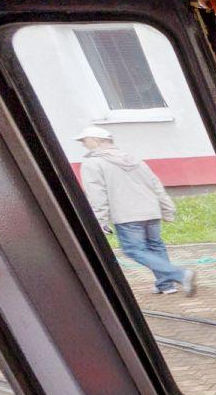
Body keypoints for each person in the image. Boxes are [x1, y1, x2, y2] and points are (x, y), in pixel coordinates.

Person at [76, 126, 197, 297]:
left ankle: (181, 275)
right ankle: (165, 284)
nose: (82, 144)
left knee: (134, 250)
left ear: (96, 140)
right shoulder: (134, 159)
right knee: (155, 247)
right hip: (151, 211)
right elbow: (155, 185)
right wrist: (167, 208)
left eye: (84, 140)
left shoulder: (92, 164)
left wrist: (101, 220)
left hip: (127, 215)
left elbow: (97, 195)